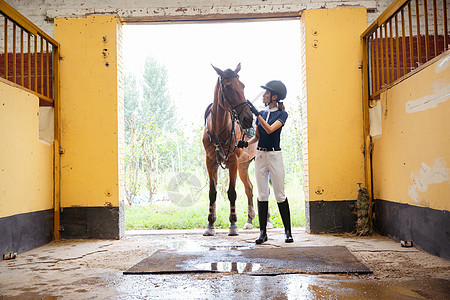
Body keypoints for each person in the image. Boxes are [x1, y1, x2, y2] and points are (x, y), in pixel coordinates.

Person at [237, 80, 293, 244]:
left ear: (274, 96)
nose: (263, 95)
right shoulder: (261, 113)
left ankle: (288, 232)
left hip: (275, 156)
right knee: (262, 195)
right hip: (260, 156)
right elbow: (258, 137)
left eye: (266, 93)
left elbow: (269, 129)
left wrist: (258, 115)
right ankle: (262, 233)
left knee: (279, 194)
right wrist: (246, 143)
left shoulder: (282, 115)